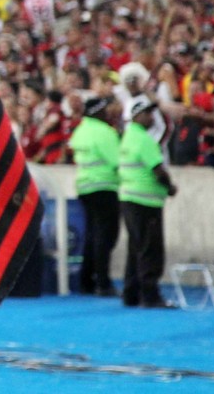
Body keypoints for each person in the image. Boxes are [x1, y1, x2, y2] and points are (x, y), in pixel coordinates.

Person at [118, 96, 178, 308]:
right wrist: (170, 187)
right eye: (147, 113)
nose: (151, 117)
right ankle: (150, 295)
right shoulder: (143, 140)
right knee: (150, 250)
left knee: (135, 247)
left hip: (128, 197)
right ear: (136, 116)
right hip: (146, 201)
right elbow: (158, 169)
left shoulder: (127, 137)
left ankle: (131, 293)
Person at [69, 96, 120, 296]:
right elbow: (117, 160)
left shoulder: (81, 130)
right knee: (106, 236)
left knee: (91, 235)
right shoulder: (104, 132)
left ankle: (86, 280)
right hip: (105, 185)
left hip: (85, 186)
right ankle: (103, 282)